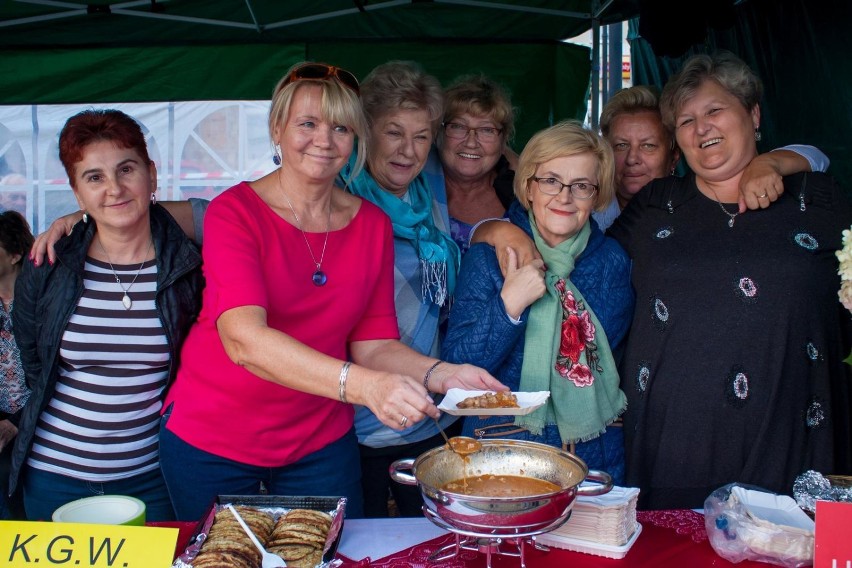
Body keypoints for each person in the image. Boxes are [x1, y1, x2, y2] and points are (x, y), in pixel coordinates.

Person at [158, 61, 504, 522]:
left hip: (319, 445)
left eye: (340, 127)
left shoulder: (371, 224)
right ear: (277, 129)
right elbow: (245, 341)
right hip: (214, 440)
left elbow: (375, 344)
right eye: (307, 123)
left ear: (354, 138)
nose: (324, 139)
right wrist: (365, 386)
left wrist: (442, 374)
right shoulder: (235, 212)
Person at [607, 51, 852, 509]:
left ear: (753, 114)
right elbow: (583, 271)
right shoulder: (657, 205)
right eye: (685, 121)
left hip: (794, 443)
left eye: (715, 110)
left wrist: (784, 160)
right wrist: (495, 230)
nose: (702, 128)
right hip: (672, 449)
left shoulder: (817, 198)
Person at [10, 109, 204, 522]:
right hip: (54, 474)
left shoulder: (189, 265)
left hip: (154, 474)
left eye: (126, 169)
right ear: (77, 192)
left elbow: (243, 210)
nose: (114, 188)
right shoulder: (48, 263)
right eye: (94, 177)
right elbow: (33, 360)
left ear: (151, 174)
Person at [441, 120, 634, 484]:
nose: (564, 197)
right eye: (550, 181)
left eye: (581, 186)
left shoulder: (613, 262)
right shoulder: (490, 257)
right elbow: (456, 369)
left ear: (597, 196)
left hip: (593, 452)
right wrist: (508, 307)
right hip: (499, 453)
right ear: (528, 187)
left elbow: (617, 365)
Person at [338, 60, 466, 518]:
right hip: (357, 421)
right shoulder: (335, 198)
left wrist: (498, 231)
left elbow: (499, 159)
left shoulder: (427, 188)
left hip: (431, 414)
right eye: (393, 133)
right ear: (364, 132)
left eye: (421, 136)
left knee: (431, 542)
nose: (408, 150)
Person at [594, 84, 828, 230]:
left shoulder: (695, 200)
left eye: (648, 146)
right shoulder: (587, 211)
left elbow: (818, 158)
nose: (633, 158)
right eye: (621, 145)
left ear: (674, 156)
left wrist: (768, 163)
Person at [437, 75, 518, 255]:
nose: (471, 142)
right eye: (458, 126)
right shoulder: (418, 185)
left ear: (503, 140)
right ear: (439, 131)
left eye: (487, 130)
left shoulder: (521, 195)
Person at [0, 211, 34, 520]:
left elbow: (55, 371)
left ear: (15, 254)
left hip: (37, 425)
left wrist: (17, 421)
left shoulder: (40, 299)